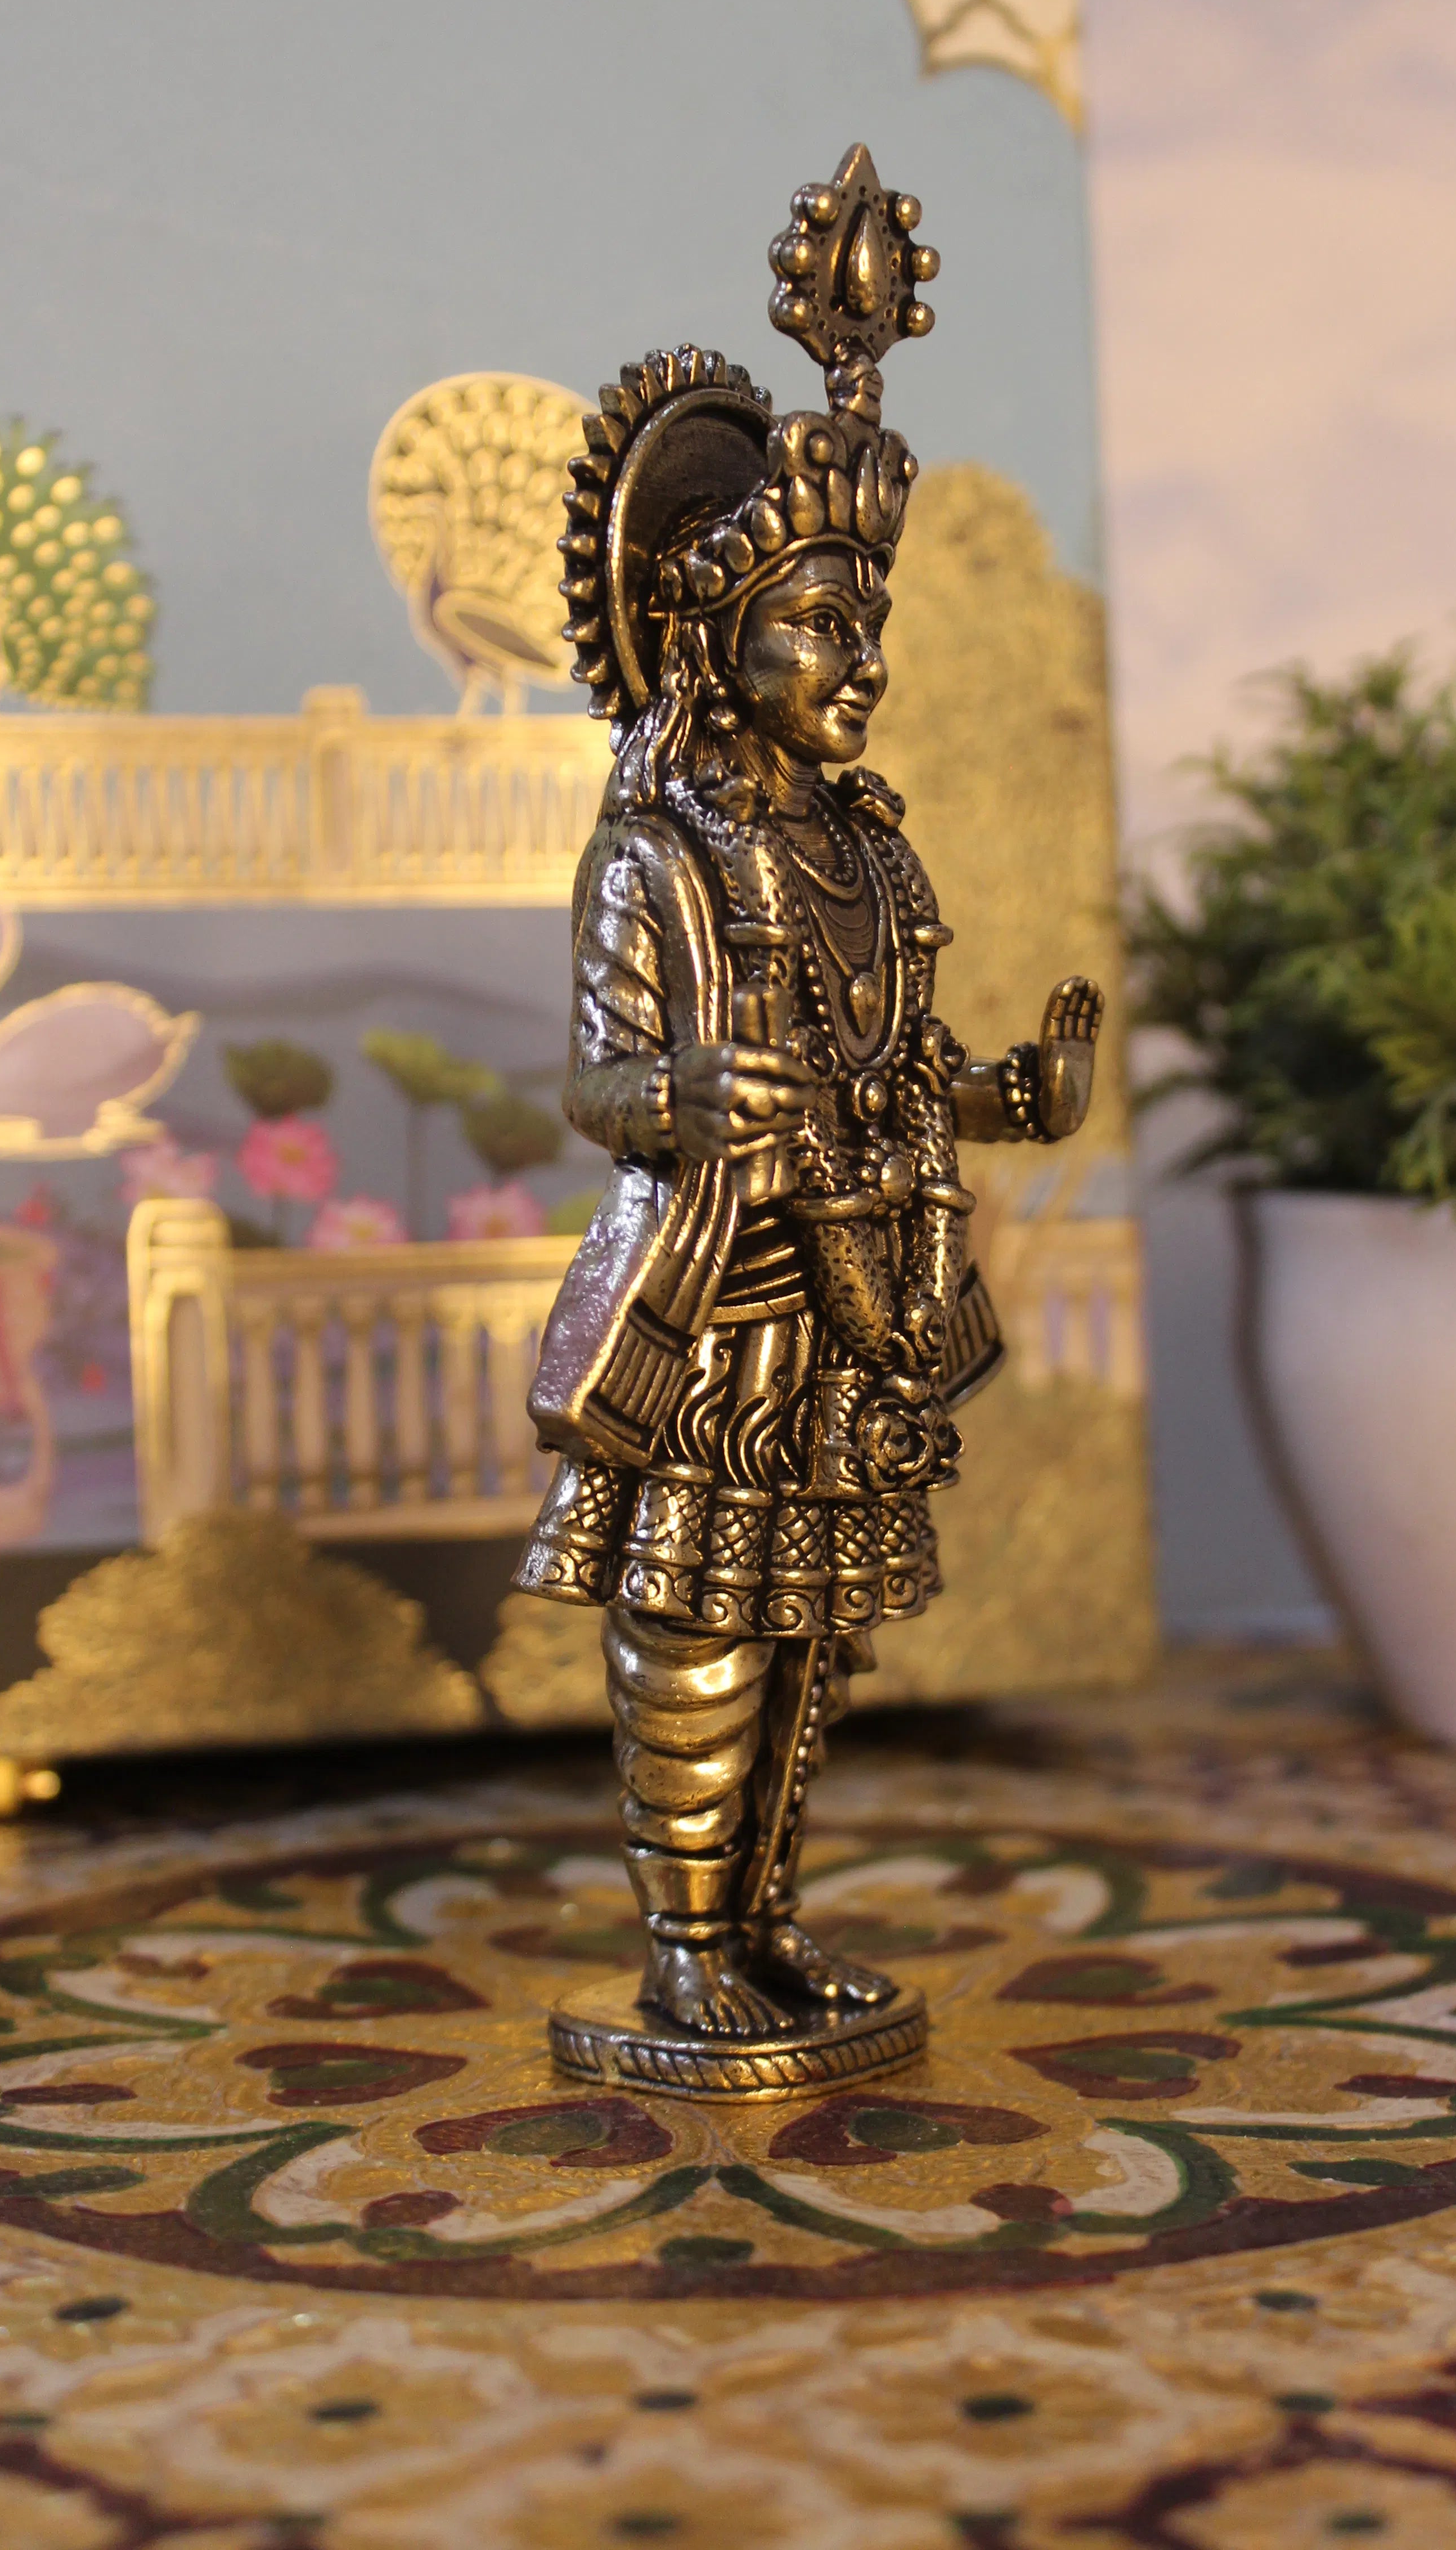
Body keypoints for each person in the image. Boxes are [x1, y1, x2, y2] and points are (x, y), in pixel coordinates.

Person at [514, 147, 1102, 2074]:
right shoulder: (655, 856)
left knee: (812, 1630)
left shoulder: (864, 851)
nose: (860, 665)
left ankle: (764, 1920)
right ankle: (684, 1944)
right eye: (820, 626)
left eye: (869, 628)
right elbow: (595, 1081)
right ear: (716, 640)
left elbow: (900, 1071)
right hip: (717, 1299)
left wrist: (1015, 1093)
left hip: (862, 1298)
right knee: (695, 1626)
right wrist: (684, 1090)